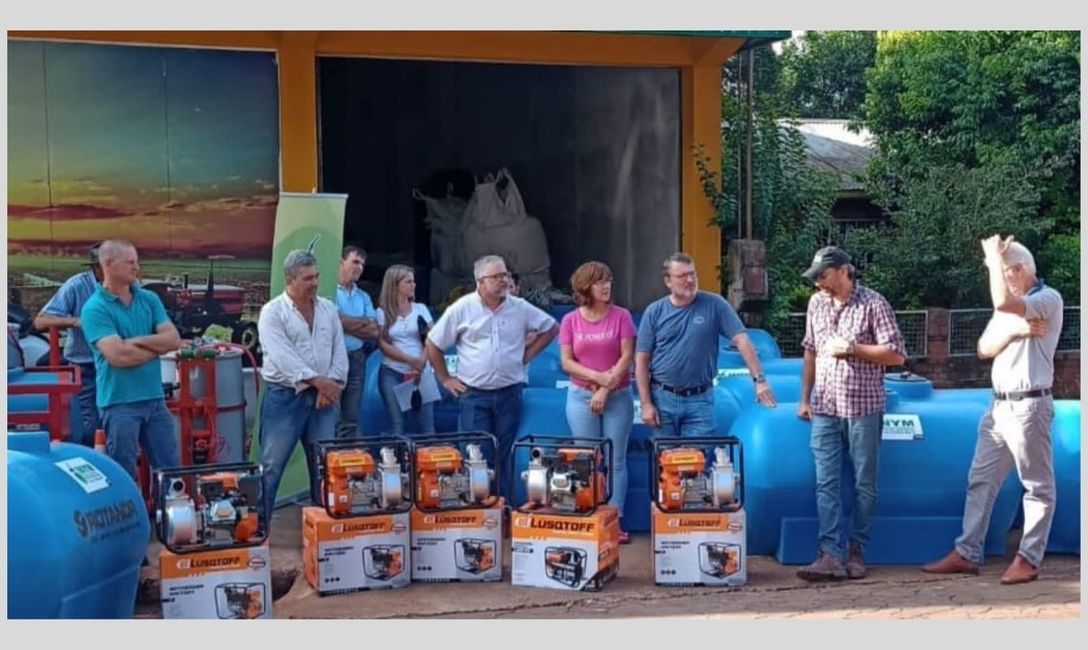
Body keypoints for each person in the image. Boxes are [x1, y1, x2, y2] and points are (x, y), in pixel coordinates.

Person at [922, 235, 1063, 585]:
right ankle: (967, 552)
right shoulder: (1013, 313)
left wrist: (989, 257)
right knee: (981, 480)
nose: (999, 278)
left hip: (1029, 404)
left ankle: (1028, 559)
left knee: (1037, 486)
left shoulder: (1046, 299)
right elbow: (984, 347)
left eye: (1003, 272)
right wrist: (1015, 331)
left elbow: (1000, 300)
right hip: (998, 407)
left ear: (1019, 270)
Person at [795, 245, 906, 582]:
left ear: (844, 271)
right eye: (815, 278)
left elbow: (897, 355)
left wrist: (854, 349)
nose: (818, 284)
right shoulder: (816, 304)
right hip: (826, 407)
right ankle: (829, 553)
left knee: (864, 484)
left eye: (823, 276)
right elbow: (810, 352)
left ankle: (857, 550)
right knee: (825, 482)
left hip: (863, 409)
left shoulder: (874, 304)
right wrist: (805, 398)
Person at [426, 254, 558, 498]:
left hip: (509, 392)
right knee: (475, 454)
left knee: (503, 454)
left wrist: (526, 356)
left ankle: (502, 508)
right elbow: (433, 343)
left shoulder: (520, 308)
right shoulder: (462, 308)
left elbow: (551, 327)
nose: (504, 281)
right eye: (496, 276)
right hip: (474, 395)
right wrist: (445, 379)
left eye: (505, 275)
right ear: (480, 282)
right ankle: (477, 508)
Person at [636, 252, 776, 439]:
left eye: (692, 274)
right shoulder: (655, 312)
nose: (690, 280)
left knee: (694, 461)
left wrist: (760, 381)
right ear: (668, 281)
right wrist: (646, 403)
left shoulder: (714, 304)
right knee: (665, 462)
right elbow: (642, 360)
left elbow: (742, 341)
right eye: (682, 276)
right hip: (663, 398)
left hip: (700, 399)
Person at [80, 240, 181, 481]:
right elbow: (118, 356)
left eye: (136, 261)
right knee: (124, 475)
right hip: (119, 405)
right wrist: (156, 346)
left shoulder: (149, 299)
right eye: (130, 262)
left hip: (155, 401)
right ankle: (134, 518)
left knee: (171, 473)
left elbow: (173, 339)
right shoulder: (94, 308)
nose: (136, 267)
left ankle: (170, 516)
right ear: (108, 265)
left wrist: (132, 342)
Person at [258, 249, 349, 510]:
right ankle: (258, 529)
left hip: (324, 398)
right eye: (307, 278)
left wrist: (332, 385)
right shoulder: (272, 312)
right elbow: (282, 357)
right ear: (290, 280)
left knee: (324, 465)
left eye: (316, 276)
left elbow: (338, 350)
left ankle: (323, 525)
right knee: (272, 466)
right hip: (286, 396)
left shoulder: (328, 308)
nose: (315, 283)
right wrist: (320, 382)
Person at [559, 261, 637, 543]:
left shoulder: (622, 316)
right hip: (580, 396)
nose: (606, 286)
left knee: (616, 460)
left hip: (618, 396)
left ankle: (615, 521)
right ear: (585, 287)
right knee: (586, 459)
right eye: (599, 282)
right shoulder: (570, 320)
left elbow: (627, 357)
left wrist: (605, 389)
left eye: (608, 280)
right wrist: (597, 379)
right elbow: (567, 361)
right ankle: (588, 514)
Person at [33, 242, 104, 446]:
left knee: (117, 422)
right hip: (86, 366)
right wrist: (76, 321)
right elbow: (41, 321)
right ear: (96, 267)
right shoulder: (77, 285)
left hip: (116, 366)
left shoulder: (129, 287)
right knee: (89, 427)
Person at [375, 264, 437, 435]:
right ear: (395, 285)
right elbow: (383, 344)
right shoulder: (382, 312)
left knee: (427, 425)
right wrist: (410, 360)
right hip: (393, 371)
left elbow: (432, 338)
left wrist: (421, 363)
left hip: (421, 373)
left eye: (413, 281)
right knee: (397, 424)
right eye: (408, 282)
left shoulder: (420, 309)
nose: (413, 285)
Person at [335, 245, 379, 438]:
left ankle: (348, 461)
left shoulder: (364, 296)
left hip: (356, 358)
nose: (360, 267)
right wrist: (362, 321)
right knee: (331, 415)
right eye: (355, 261)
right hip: (334, 358)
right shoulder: (329, 291)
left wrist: (344, 322)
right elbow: (333, 322)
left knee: (351, 416)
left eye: (362, 264)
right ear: (341, 263)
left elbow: (374, 330)